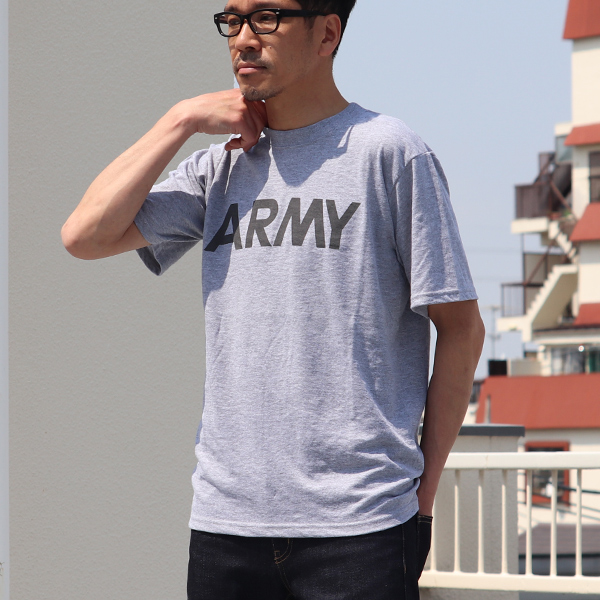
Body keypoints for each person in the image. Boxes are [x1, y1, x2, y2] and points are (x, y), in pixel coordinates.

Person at [61, 0, 485, 598]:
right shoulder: (220, 167)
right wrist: (180, 119)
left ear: (327, 34)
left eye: (266, 17)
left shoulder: (389, 152)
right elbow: (84, 236)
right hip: (225, 525)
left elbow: (461, 328)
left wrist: (424, 495)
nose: (243, 38)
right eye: (232, 20)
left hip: (360, 527)